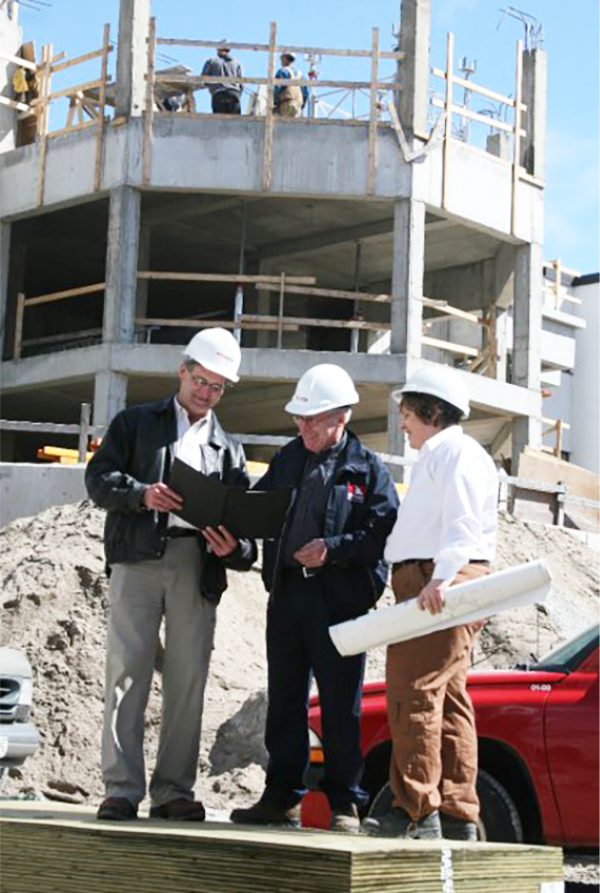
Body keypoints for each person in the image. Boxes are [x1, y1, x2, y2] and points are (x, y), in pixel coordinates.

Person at [86, 328, 257, 822]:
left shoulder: (228, 449)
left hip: (196, 562)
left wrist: (234, 547)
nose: (206, 393)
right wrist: (142, 494)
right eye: (201, 381)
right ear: (182, 371)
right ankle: (121, 789)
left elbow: (244, 527)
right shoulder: (136, 423)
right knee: (126, 672)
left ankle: (173, 791)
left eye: (218, 387)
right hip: (138, 556)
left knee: (188, 680)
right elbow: (98, 480)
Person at [230, 364, 399, 833]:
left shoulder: (368, 470)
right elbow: (258, 508)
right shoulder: (287, 459)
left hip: (339, 603)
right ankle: (281, 796)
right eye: (299, 419)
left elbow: (383, 532)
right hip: (288, 597)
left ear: (340, 417)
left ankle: (345, 803)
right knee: (285, 700)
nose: (302, 427)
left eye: (312, 419)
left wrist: (333, 550)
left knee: (341, 705)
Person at [362, 365, 498, 841]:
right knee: (450, 697)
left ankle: (415, 808)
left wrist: (440, 578)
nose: (403, 423)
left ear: (432, 412)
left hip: (438, 578)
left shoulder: (452, 452)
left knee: (413, 690)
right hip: (439, 576)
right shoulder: (457, 453)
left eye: (407, 414)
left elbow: (460, 521)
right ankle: (459, 811)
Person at [201, 41, 243, 114]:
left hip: (218, 93)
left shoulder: (211, 61)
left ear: (218, 49)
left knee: (219, 121)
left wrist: (211, 86)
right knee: (235, 122)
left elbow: (204, 79)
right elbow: (241, 84)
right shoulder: (236, 64)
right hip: (233, 93)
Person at [273, 52, 308, 117]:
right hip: (298, 107)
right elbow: (305, 93)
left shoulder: (282, 72)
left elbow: (277, 88)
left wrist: (274, 102)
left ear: (285, 58)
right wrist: (302, 106)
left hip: (286, 104)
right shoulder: (301, 75)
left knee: (282, 125)